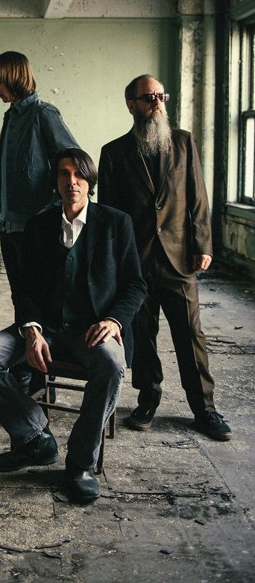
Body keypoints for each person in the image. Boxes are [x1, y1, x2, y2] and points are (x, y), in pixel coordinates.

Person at [0, 148, 146, 504]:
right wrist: (32, 330)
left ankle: (80, 463)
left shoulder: (116, 222)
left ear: (89, 181)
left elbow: (135, 284)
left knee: (111, 364)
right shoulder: (40, 225)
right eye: (64, 174)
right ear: (55, 182)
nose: (71, 182)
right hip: (46, 326)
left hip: (91, 329)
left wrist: (112, 320)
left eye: (79, 174)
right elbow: (25, 288)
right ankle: (35, 437)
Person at [98, 74, 233, 441]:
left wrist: (203, 244)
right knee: (142, 334)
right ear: (131, 105)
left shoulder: (184, 142)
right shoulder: (114, 153)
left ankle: (205, 409)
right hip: (136, 262)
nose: (156, 103)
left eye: (161, 96)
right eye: (148, 98)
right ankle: (148, 399)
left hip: (179, 258)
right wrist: (114, 263)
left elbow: (198, 198)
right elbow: (109, 214)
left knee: (190, 334)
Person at [0, 51, 79, 304]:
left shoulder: (43, 113)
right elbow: (8, 163)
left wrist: (52, 206)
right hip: (9, 223)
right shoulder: (11, 115)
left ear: (13, 78)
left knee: (40, 297)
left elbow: (74, 161)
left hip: (37, 226)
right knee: (20, 297)